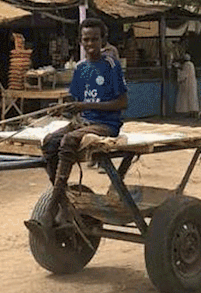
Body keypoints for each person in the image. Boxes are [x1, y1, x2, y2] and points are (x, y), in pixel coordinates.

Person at [26, 17, 128, 234]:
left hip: (106, 123)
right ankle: (64, 202)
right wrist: (61, 108)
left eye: (94, 40)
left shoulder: (111, 66)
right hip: (82, 121)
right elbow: (75, 100)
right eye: (86, 40)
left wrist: (84, 104)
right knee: (49, 142)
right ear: (80, 42)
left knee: (69, 140)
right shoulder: (81, 68)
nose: (90, 45)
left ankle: (52, 206)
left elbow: (122, 102)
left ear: (103, 41)